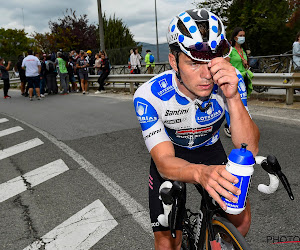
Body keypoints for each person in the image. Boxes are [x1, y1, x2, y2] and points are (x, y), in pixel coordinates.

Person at [133, 8, 260, 249]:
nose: (206, 75)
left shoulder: (229, 82)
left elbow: (250, 147)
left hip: (210, 148)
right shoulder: (150, 96)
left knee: (240, 222)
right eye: (193, 63)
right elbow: (163, 162)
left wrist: (232, 98)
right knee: (167, 242)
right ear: (174, 61)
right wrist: (201, 173)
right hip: (172, 155)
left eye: (211, 62)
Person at [224, 27, 253, 137]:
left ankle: (242, 125)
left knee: (242, 104)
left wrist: (246, 64)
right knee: (230, 103)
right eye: (240, 35)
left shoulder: (244, 51)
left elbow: (246, 66)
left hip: (243, 79)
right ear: (235, 37)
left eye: (243, 35)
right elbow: (226, 65)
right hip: (233, 80)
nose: (242, 38)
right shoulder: (230, 50)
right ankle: (230, 126)